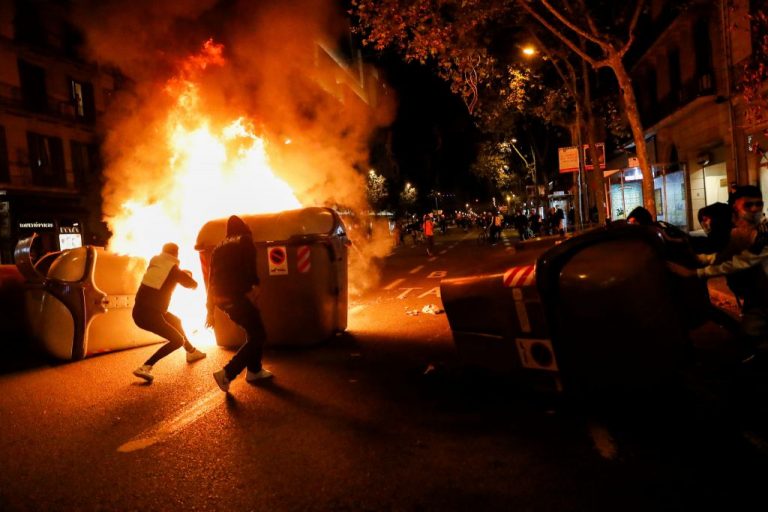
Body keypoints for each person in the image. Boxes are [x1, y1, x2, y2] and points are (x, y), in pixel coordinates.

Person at [668, 186, 768, 363]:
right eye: (742, 208)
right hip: (755, 293)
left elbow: (736, 263)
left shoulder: (761, 235)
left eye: (756, 205)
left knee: (752, 330)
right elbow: (722, 257)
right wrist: (698, 259)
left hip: (762, 294)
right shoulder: (738, 234)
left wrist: (694, 272)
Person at [207, 215, 272, 392]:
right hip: (236, 295)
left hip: (220, 298)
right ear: (243, 227)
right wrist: (254, 286)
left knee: (253, 331)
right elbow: (249, 265)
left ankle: (254, 371)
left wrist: (209, 309)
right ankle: (227, 373)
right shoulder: (245, 240)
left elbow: (210, 278)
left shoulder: (218, 247)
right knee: (259, 334)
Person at [132, 243, 206, 383]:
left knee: (176, 321)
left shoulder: (155, 263)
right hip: (149, 315)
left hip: (141, 311)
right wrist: (186, 275)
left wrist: (179, 273)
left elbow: (166, 276)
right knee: (177, 340)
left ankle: (191, 352)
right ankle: (146, 366)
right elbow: (192, 285)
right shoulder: (173, 270)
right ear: (176, 254)